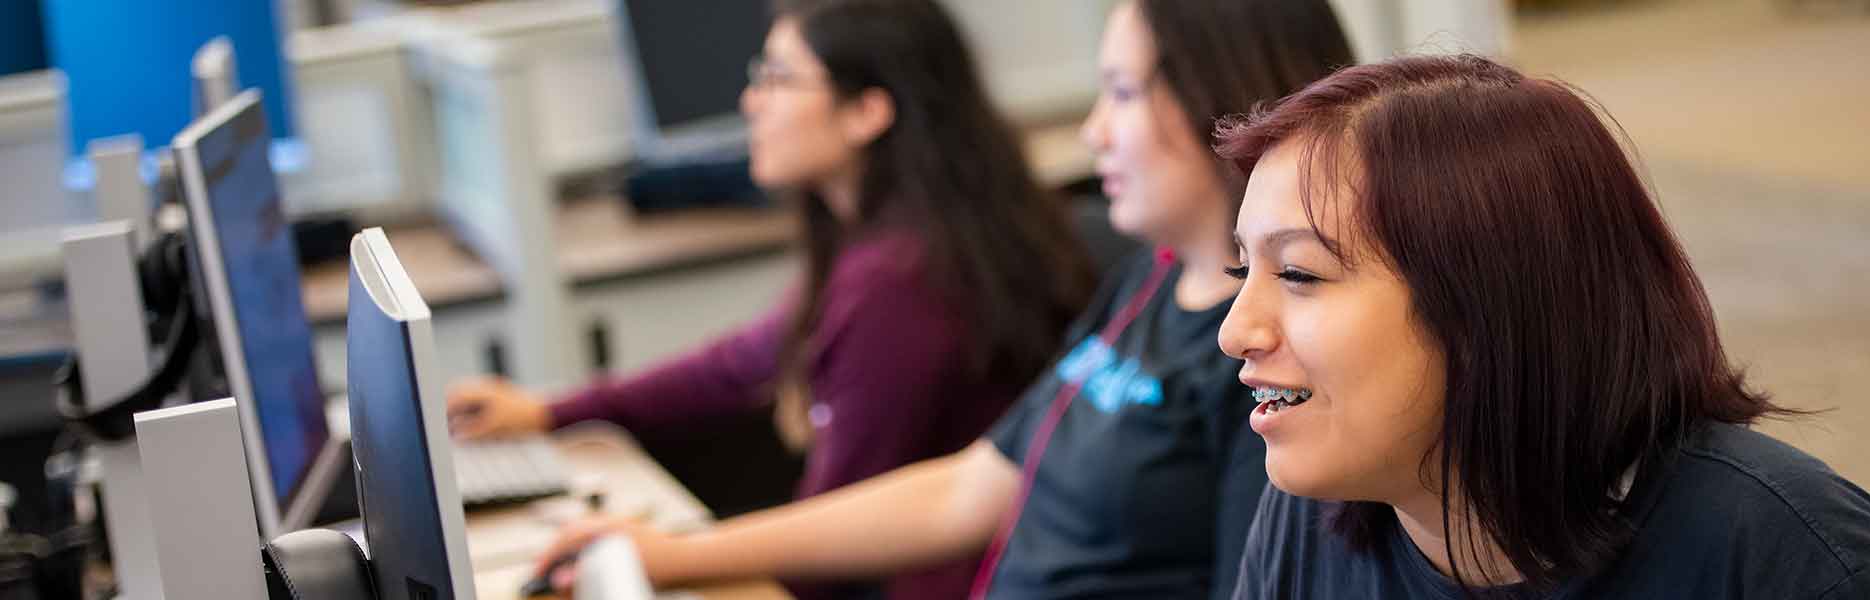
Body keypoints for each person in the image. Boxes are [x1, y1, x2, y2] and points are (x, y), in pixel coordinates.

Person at [532, 1, 1353, 599]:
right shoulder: (1147, 282)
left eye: (1124, 94)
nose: (1092, 131)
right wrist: (671, 554)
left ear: (1231, 99)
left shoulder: (1268, 358)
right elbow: (971, 486)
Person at [1215, 54, 1870, 599]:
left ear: (1492, 306)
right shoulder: (1310, 522)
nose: (1235, 330)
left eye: (1301, 275)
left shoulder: (1785, 560)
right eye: (1241, 270)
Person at [445, 0, 1097, 597]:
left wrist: (665, 554)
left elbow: (830, 543)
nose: (751, 102)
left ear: (867, 112)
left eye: (778, 79)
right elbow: (736, 364)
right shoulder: (906, 238)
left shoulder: (901, 285)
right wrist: (549, 411)